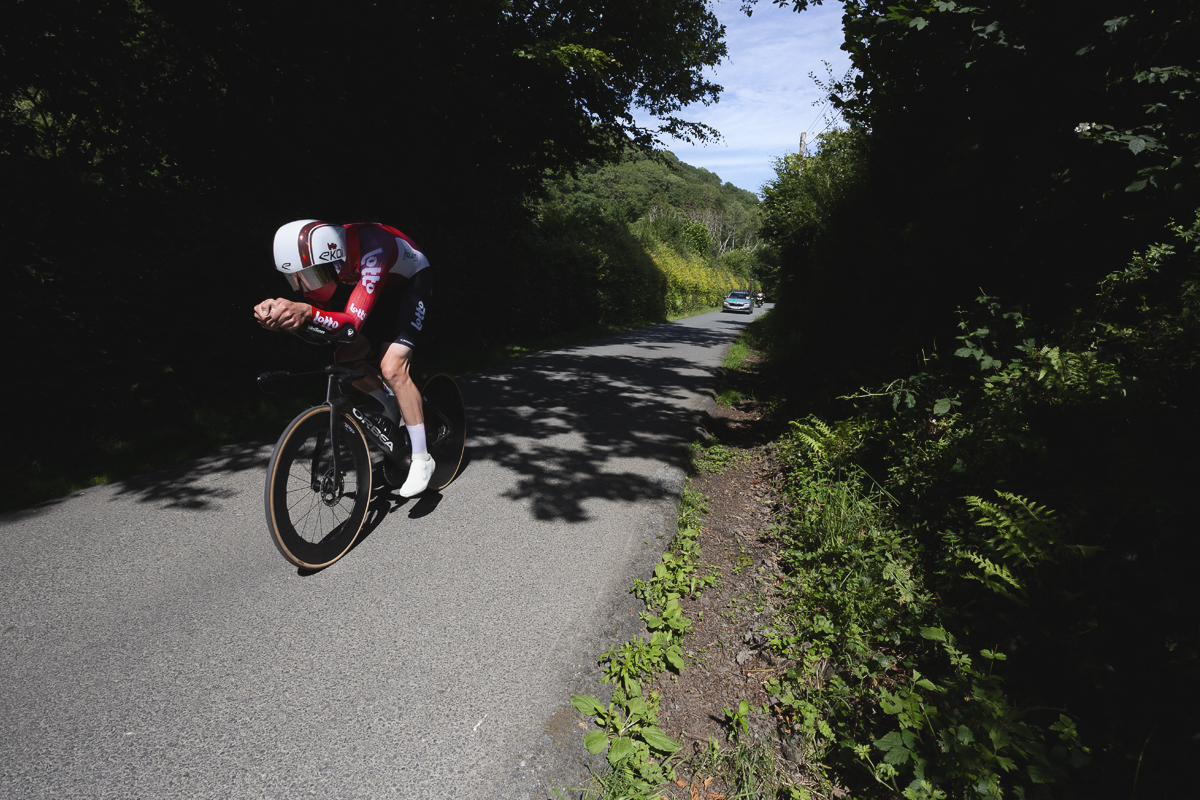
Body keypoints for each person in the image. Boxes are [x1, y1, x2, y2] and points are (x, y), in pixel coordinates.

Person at [253, 219, 435, 497]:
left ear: (330, 255)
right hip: (379, 290)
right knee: (345, 359)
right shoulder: (325, 257)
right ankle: (391, 402)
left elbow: (348, 324)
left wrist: (307, 312)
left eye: (310, 276)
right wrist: (283, 316)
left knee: (392, 367)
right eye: (297, 279)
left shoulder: (374, 248)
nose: (306, 286)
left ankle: (423, 459)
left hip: (410, 284)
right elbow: (323, 326)